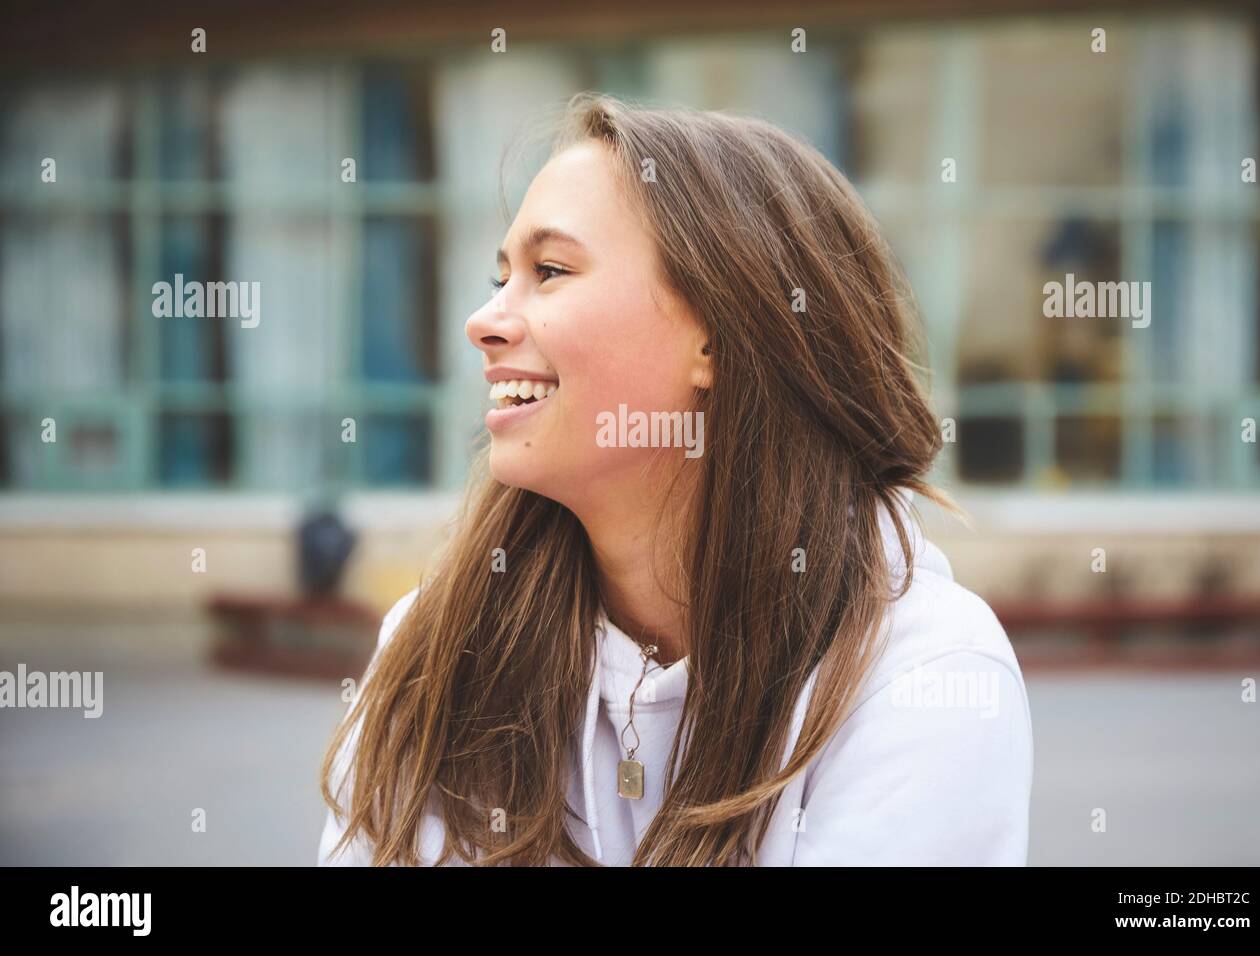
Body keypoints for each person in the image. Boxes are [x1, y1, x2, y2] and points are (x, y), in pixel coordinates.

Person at [318, 92, 1032, 867]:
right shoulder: (435, 640)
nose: (483, 321)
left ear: (718, 337)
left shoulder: (927, 677)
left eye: (549, 271)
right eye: (501, 276)